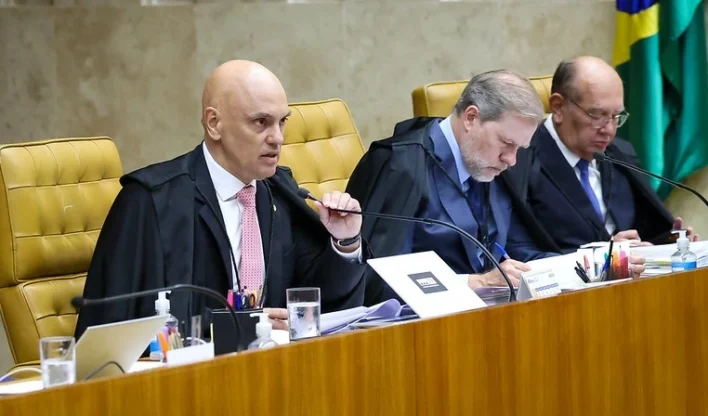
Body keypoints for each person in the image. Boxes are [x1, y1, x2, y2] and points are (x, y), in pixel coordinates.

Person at [75, 60, 368, 338]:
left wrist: (345, 243)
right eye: (261, 122)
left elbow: (320, 305)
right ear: (214, 123)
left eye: (282, 122)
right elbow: (121, 327)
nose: (278, 138)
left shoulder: (278, 192)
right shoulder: (150, 201)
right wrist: (240, 325)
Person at [503, 56, 699, 256]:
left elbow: (644, 232)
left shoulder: (619, 153)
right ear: (558, 107)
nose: (609, 130)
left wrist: (670, 242)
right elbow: (521, 255)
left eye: (616, 117)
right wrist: (603, 254)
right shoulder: (517, 162)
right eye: (597, 116)